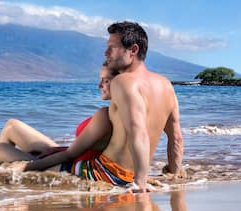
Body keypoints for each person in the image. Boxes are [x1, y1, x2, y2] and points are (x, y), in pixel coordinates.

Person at [22, 21, 184, 193]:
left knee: (12, 162)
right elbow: (176, 138)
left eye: (112, 48)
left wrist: (140, 182)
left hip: (105, 173)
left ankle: (10, 168)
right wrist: (174, 175)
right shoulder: (166, 85)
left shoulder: (124, 82)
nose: (106, 53)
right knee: (37, 158)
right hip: (129, 175)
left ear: (133, 50)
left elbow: (139, 131)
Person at [0, 63, 116, 167]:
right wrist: (58, 150)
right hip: (69, 155)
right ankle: (6, 181)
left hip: (71, 165)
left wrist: (32, 166)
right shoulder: (110, 111)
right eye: (100, 80)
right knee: (11, 125)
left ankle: (9, 175)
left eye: (105, 81)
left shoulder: (110, 116)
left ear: (120, 83)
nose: (99, 86)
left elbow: (75, 154)